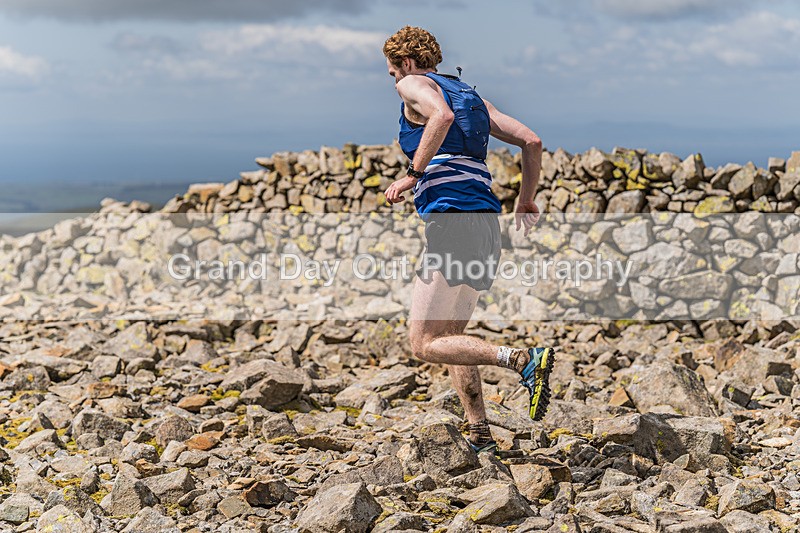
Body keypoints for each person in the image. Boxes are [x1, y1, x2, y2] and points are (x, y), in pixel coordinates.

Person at [382, 26, 555, 454]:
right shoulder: (473, 98)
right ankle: (479, 430)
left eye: (391, 73)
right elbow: (531, 141)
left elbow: (438, 115)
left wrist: (413, 175)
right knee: (452, 335)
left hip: (453, 220)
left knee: (422, 344)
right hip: (485, 224)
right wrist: (526, 200)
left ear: (404, 63)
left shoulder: (412, 83)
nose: (395, 83)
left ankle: (520, 359)